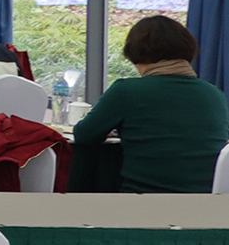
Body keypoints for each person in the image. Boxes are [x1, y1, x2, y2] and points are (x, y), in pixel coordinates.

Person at [74, 16, 229, 193]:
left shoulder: (127, 90)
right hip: (207, 203)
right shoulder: (214, 93)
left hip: (144, 200)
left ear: (135, 53)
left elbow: (84, 135)